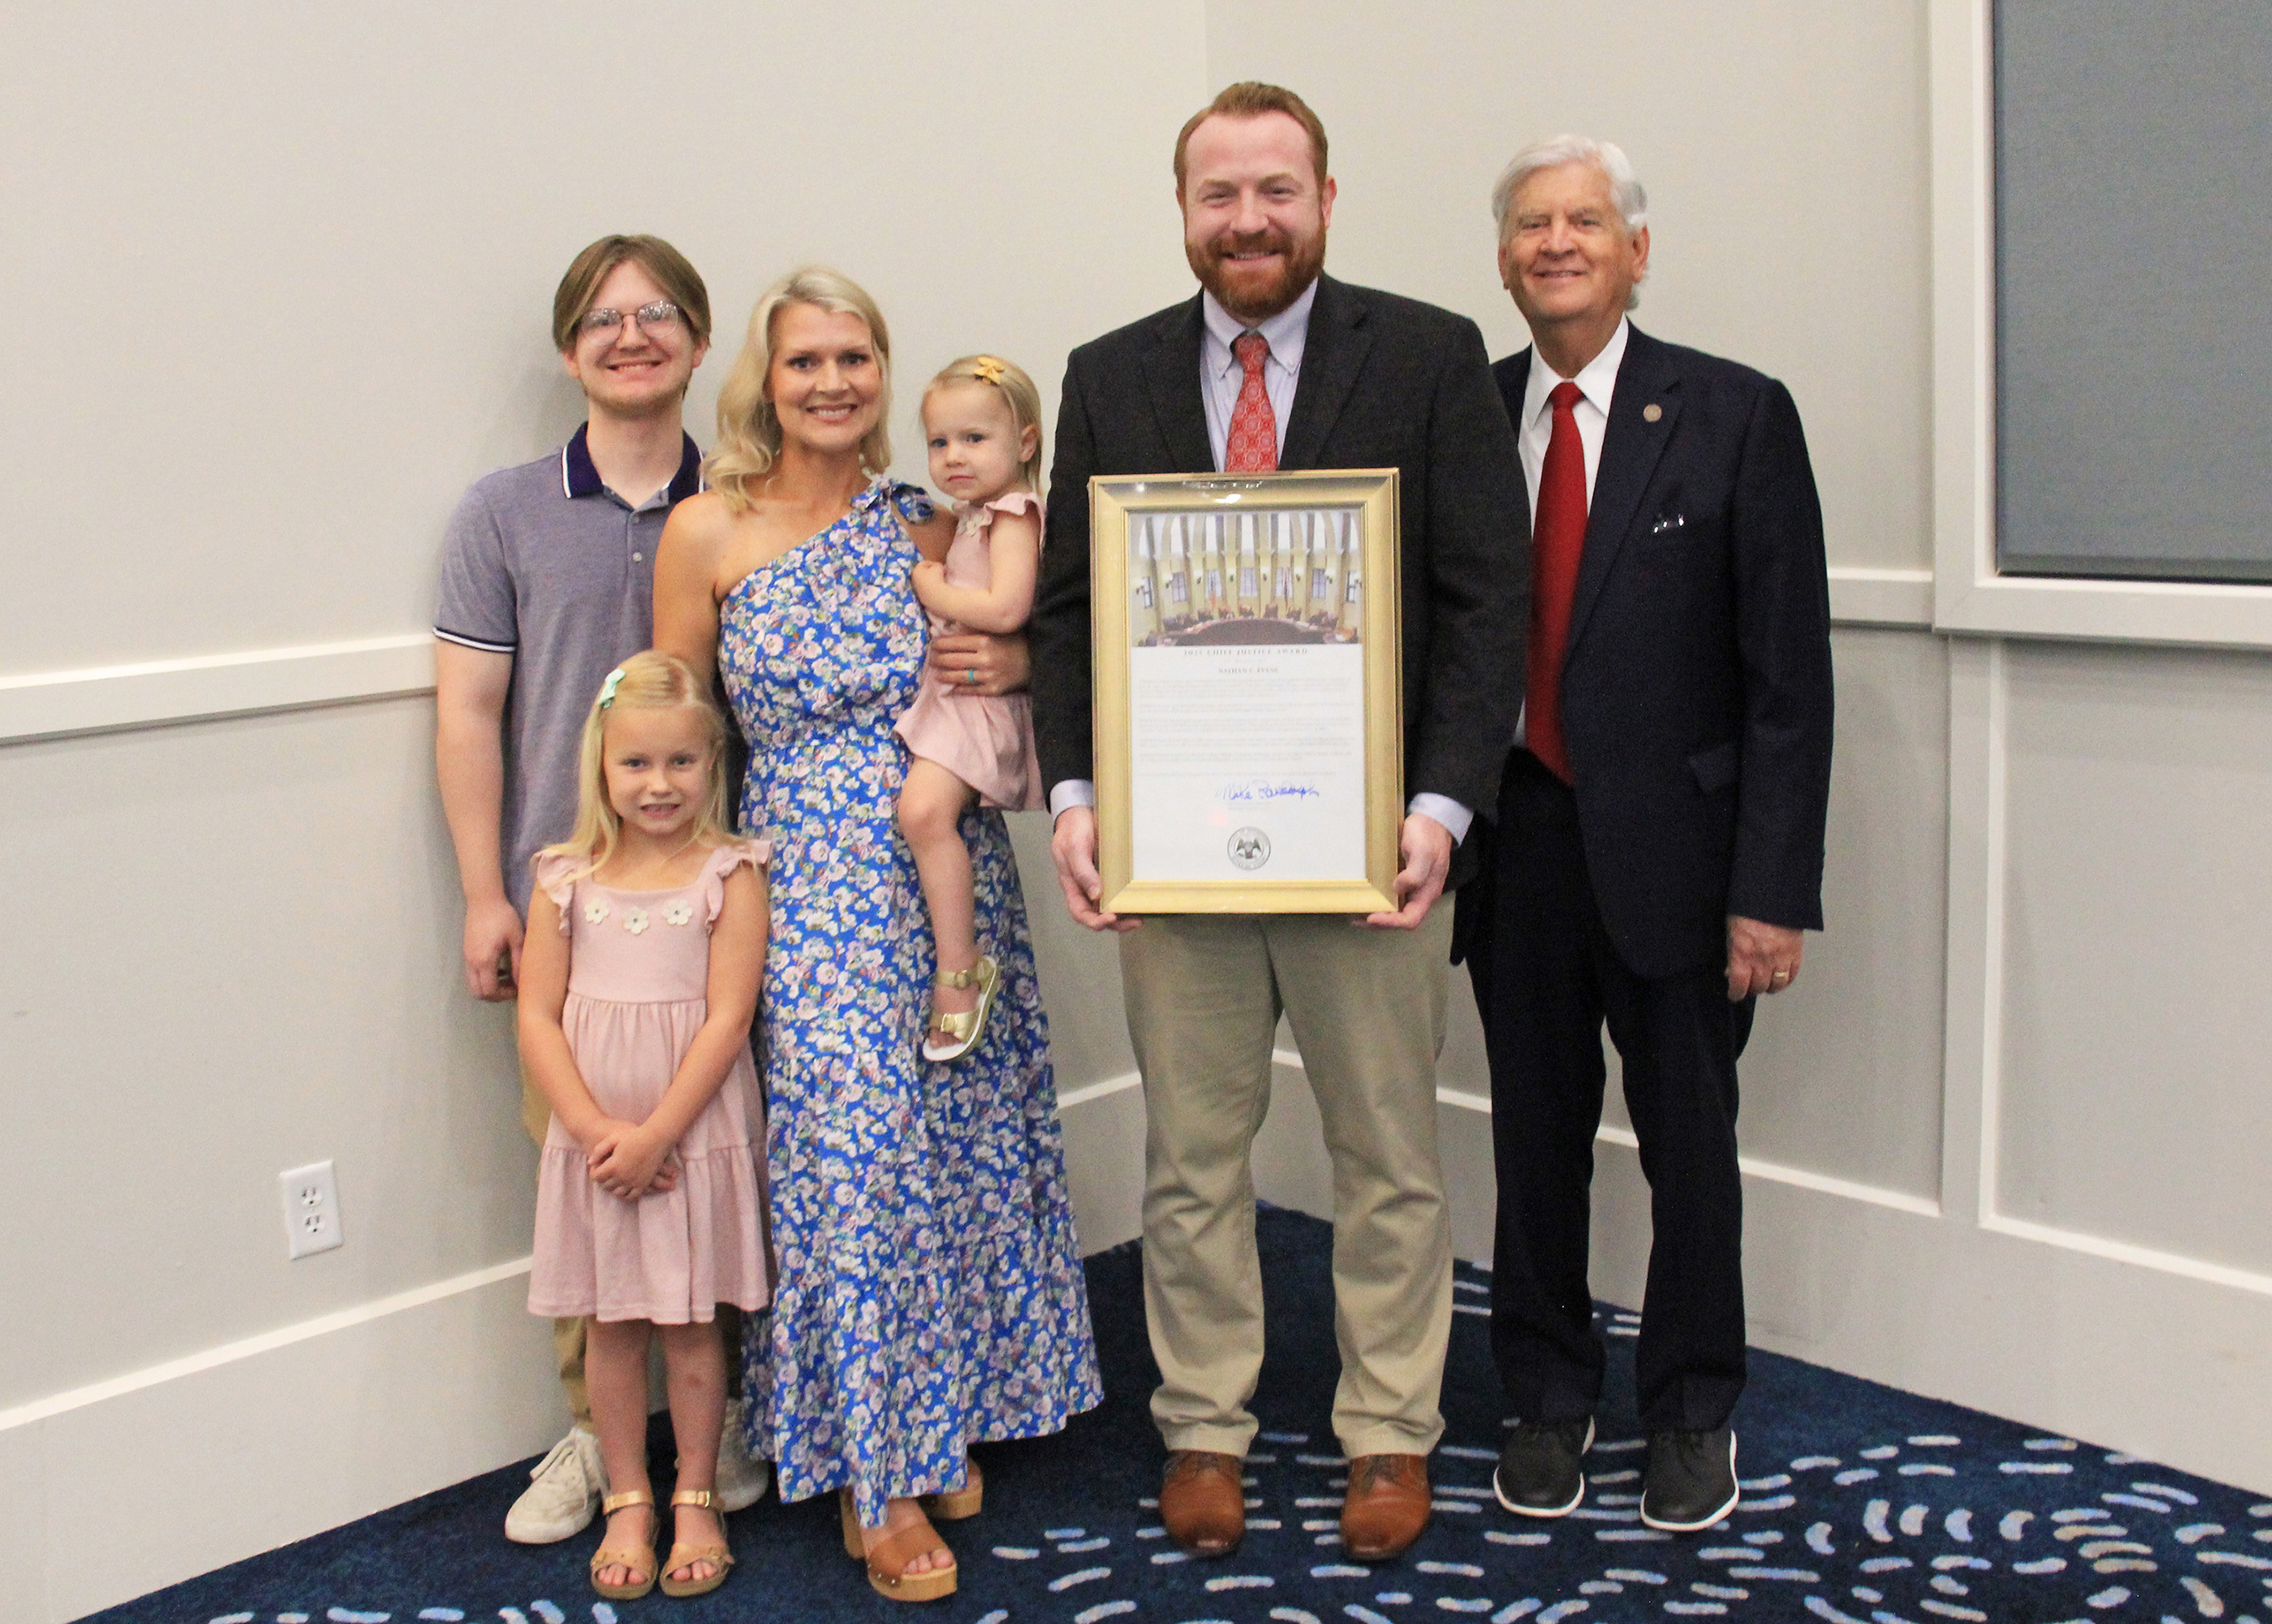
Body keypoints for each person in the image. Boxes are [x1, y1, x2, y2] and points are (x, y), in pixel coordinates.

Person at [1030, 82, 1527, 1563]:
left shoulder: (1429, 355)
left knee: (1389, 1155)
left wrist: (1442, 806)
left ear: (1325, 198)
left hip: (1370, 848)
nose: (1248, 220)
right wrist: (1076, 796)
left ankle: (1389, 1429)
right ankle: (1204, 1422)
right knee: (1193, 1158)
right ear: (1183, 209)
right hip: (1172, 848)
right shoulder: (1108, 372)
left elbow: (1485, 599)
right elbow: (1068, 610)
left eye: (1276, 191)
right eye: (1220, 194)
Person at [653, 267, 1100, 1605]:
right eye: (806, 360)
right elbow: (680, 724)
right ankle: (880, 1470)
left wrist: (1017, 665)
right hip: (801, 874)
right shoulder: (706, 530)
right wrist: (678, 900)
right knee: (850, 1163)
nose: (833, 381)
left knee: (954, 1142)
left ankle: (950, 1409)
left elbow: (1020, 641)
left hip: (943, 860)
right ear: (765, 377)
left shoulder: (927, 515)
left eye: (856, 356)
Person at [1457, 135, 1834, 1533]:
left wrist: (1771, 889)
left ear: (1636, 250)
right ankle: (1547, 1395)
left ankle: (1689, 1405)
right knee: (1534, 1144)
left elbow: (1788, 681)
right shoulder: (1468, 413)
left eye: (1584, 220)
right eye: (1530, 224)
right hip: (1519, 845)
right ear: (1504, 257)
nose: (1555, 243)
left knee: (1690, 1149)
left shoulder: (1735, 413)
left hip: (1684, 857)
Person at [433, 234, 770, 1542]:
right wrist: (486, 892)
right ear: (569, 348)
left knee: (723, 1166)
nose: (633, 337)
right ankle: (599, 1436)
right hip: (574, 924)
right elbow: (470, 712)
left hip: (729, 905)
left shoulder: (743, 502)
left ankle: (721, 1425)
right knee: (591, 1176)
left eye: (659, 314)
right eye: (605, 319)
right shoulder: (502, 514)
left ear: (699, 339)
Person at [519, 651, 771, 1600]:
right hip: (598, 1148)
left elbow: (728, 1019)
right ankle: (628, 1497)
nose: (659, 784)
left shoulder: (730, 874)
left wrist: (659, 1134)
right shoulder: (564, 877)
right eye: (636, 763)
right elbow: (537, 1016)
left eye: (680, 762)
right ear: (602, 764)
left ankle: (696, 1493)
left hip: (688, 1138)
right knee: (614, 1322)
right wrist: (596, 1132)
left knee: (694, 1322)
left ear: (712, 763)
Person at [894, 353, 1048, 1062]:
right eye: (939, 442)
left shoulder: (1013, 516)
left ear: (1025, 442)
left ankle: (960, 967)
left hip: (979, 705)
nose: (953, 456)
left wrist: (933, 589)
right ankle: (958, 959)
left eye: (974, 439)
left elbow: (1007, 607)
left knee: (923, 814)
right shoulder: (972, 516)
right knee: (922, 815)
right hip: (955, 699)